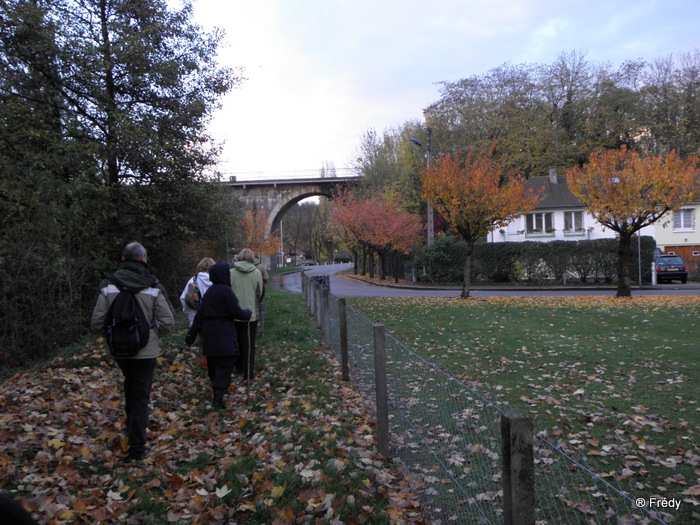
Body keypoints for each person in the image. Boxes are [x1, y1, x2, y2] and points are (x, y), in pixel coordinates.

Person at [91, 242, 175, 462]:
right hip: (146, 350)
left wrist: (111, 337)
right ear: (143, 258)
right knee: (141, 394)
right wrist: (155, 334)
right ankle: (137, 447)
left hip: (120, 350)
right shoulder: (152, 285)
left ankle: (131, 429)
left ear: (122, 260)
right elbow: (167, 320)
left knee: (130, 385)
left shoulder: (109, 285)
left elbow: (97, 321)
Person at [185, 262, 251, 408]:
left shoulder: (210, 292)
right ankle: (218, 398)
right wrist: (247, 314)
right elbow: (236, 311)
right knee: (226, 364)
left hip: (209, 335)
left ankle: (217, 391)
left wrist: (191, 334)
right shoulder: (226, 291)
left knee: (214, 366)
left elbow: (199, 316)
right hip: (224, 334)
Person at [230, 248, 264, 381]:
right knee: (249, 343)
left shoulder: (231, 273)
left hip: (234, 314)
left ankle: (238, 367)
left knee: (236, 342)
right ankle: (248, 373)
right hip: (250, 314)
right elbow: (259, 293)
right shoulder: (256, 273)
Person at [180, 257, 215, 369]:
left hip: (199, 317)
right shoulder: (217, 279)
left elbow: (184, 299)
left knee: (203, 341)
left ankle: (205, 364)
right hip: (215, 316)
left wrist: (190, 313)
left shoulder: (193, 281)